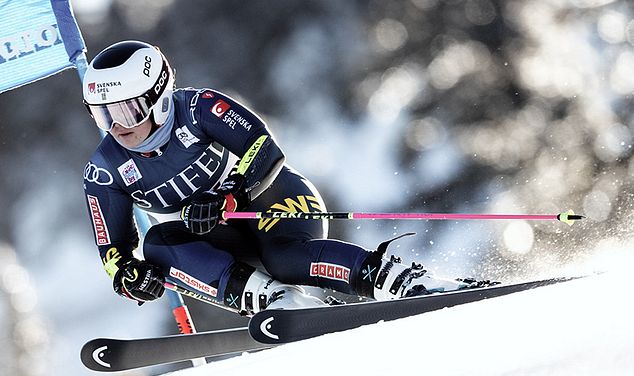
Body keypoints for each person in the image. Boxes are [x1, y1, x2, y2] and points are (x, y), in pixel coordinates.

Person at [82, 40, 475, 314]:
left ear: (160, 97)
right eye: (103, 114)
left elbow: (263, 149)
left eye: (127, 111)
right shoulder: (104, 170)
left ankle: (398, 280)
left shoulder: (200, 108)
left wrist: (230, 196)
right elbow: (112, 249)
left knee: (285, 257)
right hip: (223, 241)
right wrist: (128, 277)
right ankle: (276, 300)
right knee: (158, 244)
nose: (117, 127)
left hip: (274, 202)